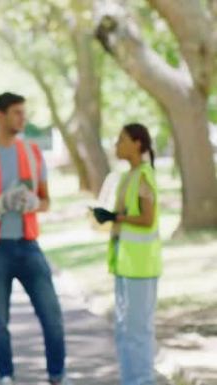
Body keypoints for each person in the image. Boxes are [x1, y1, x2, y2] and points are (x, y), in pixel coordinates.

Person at [0, 93, 69, 385]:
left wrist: (35, 203)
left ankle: (57, 375)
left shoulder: (33, 154)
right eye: (16, 113)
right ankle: (6, 377)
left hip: (29, 246)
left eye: (24, 112)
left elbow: (47, 201)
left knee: (53, 318)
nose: (23, 118)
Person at [92, 123, 161, 385]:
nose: (116, 145)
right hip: (124, 264)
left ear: (138, 144)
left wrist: (116, 216)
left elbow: (147, 218)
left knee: (138, 331)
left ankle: (142, 381)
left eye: (122, 140)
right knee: (123, 330)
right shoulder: (127, 176)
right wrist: (108, 216)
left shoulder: (144, 175)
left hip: (141, 267)